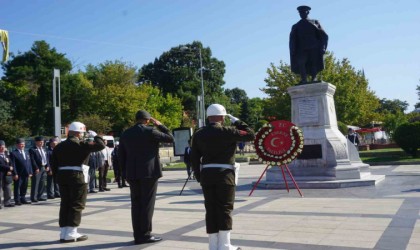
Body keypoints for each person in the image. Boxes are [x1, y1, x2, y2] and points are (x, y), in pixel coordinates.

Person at [191, 104, 255, 250]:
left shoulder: (199, 134)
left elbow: (194, 157)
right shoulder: (229, 131)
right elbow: (251, 134)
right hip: (225, 176)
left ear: (208, 117)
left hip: (207, 176)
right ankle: (225, 245)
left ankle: (213, 245)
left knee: (211, 209)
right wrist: (237, 121)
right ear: (222, 117)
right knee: (225, 208)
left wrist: (199, 176)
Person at [119, 110, 174, 245]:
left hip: (132, 173)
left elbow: (121, 155)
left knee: (136, 204)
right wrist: (160, 125)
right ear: (148, 120)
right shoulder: (151, 131)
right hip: (149, 173)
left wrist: (123, 173)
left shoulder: (126, 133)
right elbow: (170, 137)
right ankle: (145, 234)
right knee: (147, 204)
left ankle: (137, 234)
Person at [51, 121, 105, 243]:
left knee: (65, 203)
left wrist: (57, 178)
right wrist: (96, 136)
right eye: (82, 133)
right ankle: (71, 232)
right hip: (77, 177)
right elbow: (100, 145)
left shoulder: (59, 146)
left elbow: (54, 164)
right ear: (78, 133)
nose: (82, 135)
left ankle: (64, 232)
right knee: (77, 204)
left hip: (62, 176)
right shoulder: (81, 144)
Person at [289, 5, 328, 84]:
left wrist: (323, 47)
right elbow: (293, 39)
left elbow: (323, 35)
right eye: (300, 13)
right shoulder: (296, 26)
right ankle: (304, 79)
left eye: (304, 12)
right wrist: (293, 49)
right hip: (301, 49)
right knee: (301, 63)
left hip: (314, 47)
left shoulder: (315, 22)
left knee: (313, 63)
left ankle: (314, 78)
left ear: (308, 12)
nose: (302, 14)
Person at [10, 138, 33, 205]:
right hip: (18, 174)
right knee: (17, 187)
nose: (22, 145)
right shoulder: (13, 153)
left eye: (23, 144)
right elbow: (13, 164)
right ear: (17, 145)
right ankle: (17, 200)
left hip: (26, 173)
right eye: (20, 144)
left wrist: (30, 172)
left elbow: (29, 163)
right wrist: (15, 173)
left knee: (24, 186)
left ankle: (23, 198)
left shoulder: (26, 152)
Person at [29, 136, 48, 202]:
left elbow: (46, 158)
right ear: (36, 142)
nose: (41, 143)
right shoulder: (32, 150)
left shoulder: (44, 149)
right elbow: (32, 160)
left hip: (44, 167)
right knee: (35, 183)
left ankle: (40, 196)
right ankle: (33, 197)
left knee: (42, 182)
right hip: (37, 168)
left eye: (42, 142)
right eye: (40, 142)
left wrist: (47, 166)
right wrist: (36, 167)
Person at [0, 140, 15, 208]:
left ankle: (7, 202)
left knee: (8, 188)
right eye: (1, 147)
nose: (2, 148)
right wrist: (8, 167)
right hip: (1, 175)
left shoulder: (6, 155)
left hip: (7, 175)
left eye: (3, 147)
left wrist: (10, 169)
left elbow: (11, 162)